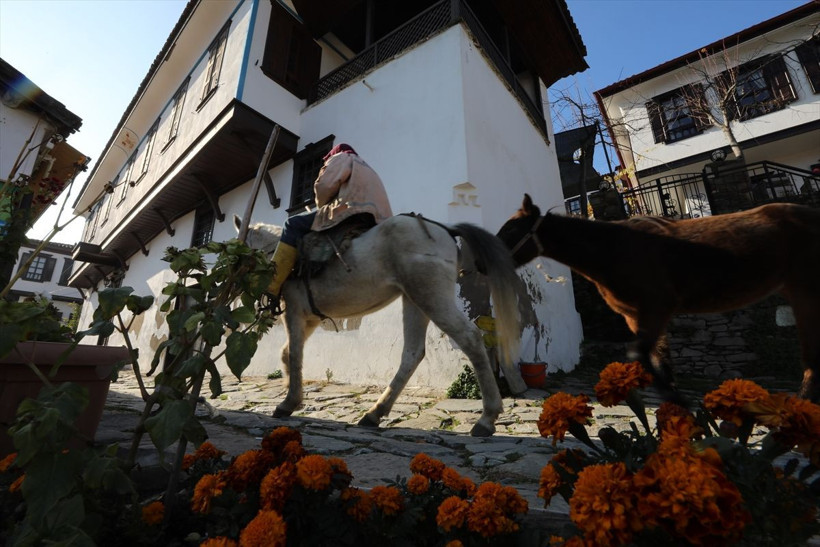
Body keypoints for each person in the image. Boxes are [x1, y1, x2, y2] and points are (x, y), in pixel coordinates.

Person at [265, 143, 393, 306]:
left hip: (350, 210)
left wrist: (321, 204)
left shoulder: (341, 157)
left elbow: (324, 186)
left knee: (292, 223)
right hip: (376, 218)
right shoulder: (368, 168)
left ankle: (272, 285)